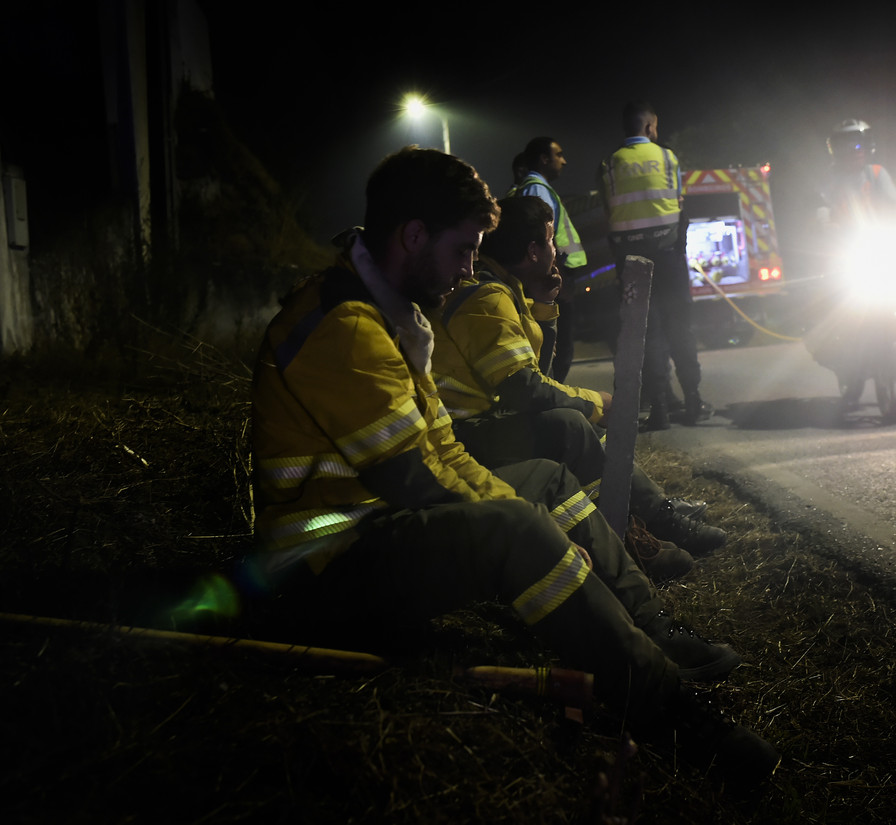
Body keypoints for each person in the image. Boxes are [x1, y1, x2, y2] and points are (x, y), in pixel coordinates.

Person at [248, 146, 777, 789]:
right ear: (413, 236)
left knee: (546, 486)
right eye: (464, 248)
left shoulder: (389, 313)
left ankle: (649, 626)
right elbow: (413, 476)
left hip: (375, 522)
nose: (471, 266)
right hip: (324, 562)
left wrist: (526, 513)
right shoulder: (346, 326)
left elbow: (446, 455)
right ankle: (667, 705)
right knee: (518, 527)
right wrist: (530, 530)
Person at [429, 195, 727, 573]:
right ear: (534, 251)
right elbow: (527, 388)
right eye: (552, 240)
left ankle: (648, 515)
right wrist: (597, 402)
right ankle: (654, 519)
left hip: (477, 426)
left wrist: (543, 305)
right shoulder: (488, 298)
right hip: (462, 436)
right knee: (569, 424)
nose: (557, 249)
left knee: (568, 420)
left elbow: (539, 377)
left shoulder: (505, 291)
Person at [599, 102, 706, 431]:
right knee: (680, 327)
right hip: (668, 254)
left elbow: (608, 210)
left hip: (631, 260)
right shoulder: (666, 157)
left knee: (647, 332)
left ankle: (659, 408)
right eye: (655, 127)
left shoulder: (609, 164)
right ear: (648, 128)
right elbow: (678, 203)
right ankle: (693, 401)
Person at [508, 137, 586, 382]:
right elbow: (541, 240)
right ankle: (552, 404)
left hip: (553, 277)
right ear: (544, 159)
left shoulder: (537, 188)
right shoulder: (537, 190)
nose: (564, 160)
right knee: (558, 349)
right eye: (558, 155)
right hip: (552, 280)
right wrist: (553, 277)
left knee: (559, 349)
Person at [818, 118, 896, 228]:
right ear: (838, 149)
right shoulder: (829, 178)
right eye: (849, 145)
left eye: (862, 144)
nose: (857, 150)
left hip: (879, 236)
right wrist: (825, 226)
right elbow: (821, 206)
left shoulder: (876, 172)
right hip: (840, 240)